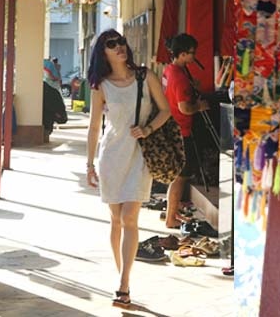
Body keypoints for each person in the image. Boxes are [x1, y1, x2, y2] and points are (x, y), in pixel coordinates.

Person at [85, 30, 171, 308]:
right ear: (103, 53)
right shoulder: (101, 86)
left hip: (139, 156)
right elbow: (95, 126)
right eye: (112, 44)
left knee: (130, 217)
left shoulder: (146, 77)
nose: (119, 47)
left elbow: (166, 110)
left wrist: (147, 128)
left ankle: (124, 284)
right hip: (111, 156)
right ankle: (121, 272)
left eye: (121, 42)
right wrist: (89, 164)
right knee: (116, 219)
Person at [162, 33, 210, 229]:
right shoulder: (180, 77)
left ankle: (173, 211)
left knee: (177, 176)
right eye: (191, 53)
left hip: (172, 128)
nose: (193, 57)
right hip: (182, 131)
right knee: (181, 177)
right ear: (182, 54)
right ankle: (171, 217)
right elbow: (185, 108)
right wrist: (199, 106)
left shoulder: (169, 70)